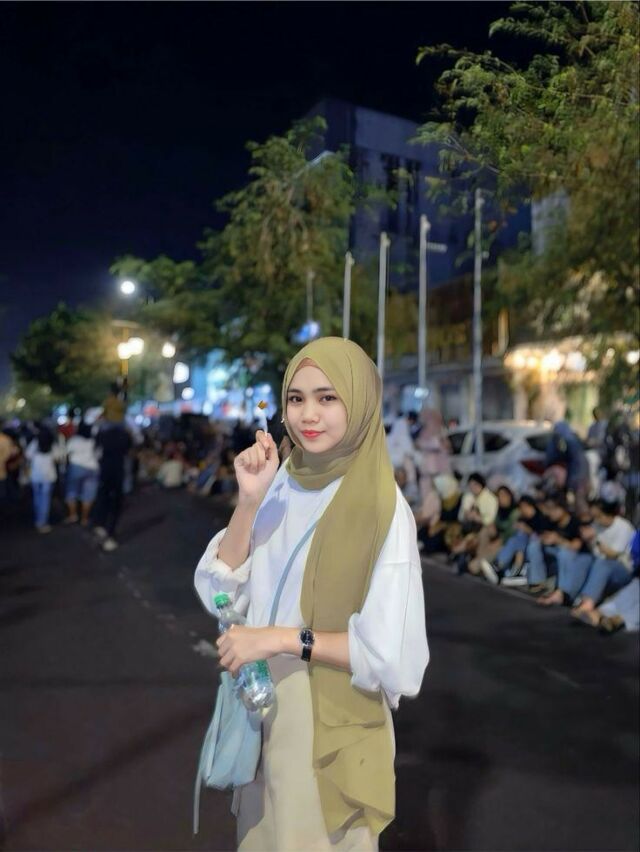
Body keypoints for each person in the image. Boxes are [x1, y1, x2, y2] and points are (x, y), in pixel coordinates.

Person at [194, 337, 429, 851]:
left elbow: (390, 656)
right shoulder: (281, 482)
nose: (308, 415)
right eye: (296, 399)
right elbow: (220, 590)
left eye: (328, 398)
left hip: (326, 718)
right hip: (262, 705)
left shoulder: (382, 508)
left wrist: (278, 639)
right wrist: (249, 503)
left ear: (360, 402)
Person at [569, 501, 636, 625]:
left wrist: (595, 540)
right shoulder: (596, 525)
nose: (597, 520)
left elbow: (612, 554)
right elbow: (596, 552)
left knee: (603, 564)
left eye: (599, 516)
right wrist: (588, 539)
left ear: (609, 515)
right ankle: (571, 595)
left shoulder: (623, 527)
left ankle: (588, 604)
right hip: (603, 565)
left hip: (623, 570)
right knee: (584, 559)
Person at [536, 497, 593, 607]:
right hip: (559, 551)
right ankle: (537, 582)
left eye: (553, 509)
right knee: (536, 546)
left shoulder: (575, 522)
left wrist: (558, 540)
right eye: (549, 509)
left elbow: (575, 546)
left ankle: (561, 592)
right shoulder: (551, 522)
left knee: (564, 554)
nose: (550, 513)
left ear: (562, 509)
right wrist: (546, 538)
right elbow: (543, 535)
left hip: (580, 555)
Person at [92, 422, 132, 551]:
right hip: (118, 471)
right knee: (115, 504)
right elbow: (128, 450)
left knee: (103, 499)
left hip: (105, 470)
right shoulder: (125, 434)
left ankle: (100, 526)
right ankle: (109, 534)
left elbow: (96, 450)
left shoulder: (102, 433)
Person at [469, 486, 518, 578]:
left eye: (503, 495)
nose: (501, 498)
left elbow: (511, 533)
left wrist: (499, 541)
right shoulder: (500, 510)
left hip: (506, 542)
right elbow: (495, 524)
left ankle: (480, 564)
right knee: (485, 531)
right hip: (497, 537)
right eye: (499, 496)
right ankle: (479, 559)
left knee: (494, 548)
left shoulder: (515, 513)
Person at [26, 425, 62, 532]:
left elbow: (27, 455)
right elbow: (58, 458)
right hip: (48, 476)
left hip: (36, 475)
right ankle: (42, 522)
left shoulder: (35, 443)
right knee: (45, 500)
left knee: (37, 498)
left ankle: (38, 519)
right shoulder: (53, 445)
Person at [65, 420, 100, 525]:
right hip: (92, 468)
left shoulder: (74, 440)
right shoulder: (94, 441)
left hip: (76, 467)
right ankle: (85, 518)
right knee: (88, 495)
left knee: (72, 492)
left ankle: (73, 515)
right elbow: (99, 455)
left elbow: (66, 453)